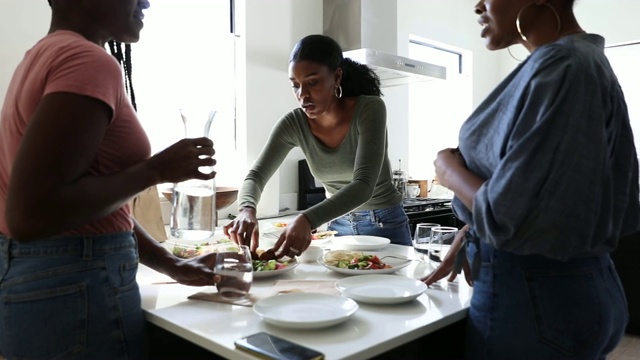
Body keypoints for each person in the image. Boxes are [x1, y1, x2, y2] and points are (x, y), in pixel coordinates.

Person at [0, 1, 221, 358]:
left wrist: (171, 264)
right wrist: (155, 170)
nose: (147, 1)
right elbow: (32, 214)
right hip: (78, 284)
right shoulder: (88, 62)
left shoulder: (42, 55)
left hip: (44, 281)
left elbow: (92, 209)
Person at [427, 1, 640, 359]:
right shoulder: (575, 60)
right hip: (567, 290)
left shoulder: (563, 66)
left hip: (534, 298)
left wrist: (447, 171)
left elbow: (506, 214)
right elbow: (551, 197)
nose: (478, 5)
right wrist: (472, 235)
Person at [224, 34, 412, 258]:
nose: (302, 95)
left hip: (384, 224)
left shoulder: (369, 109)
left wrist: (307, 218)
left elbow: (363, 185)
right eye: (295, 85)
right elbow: (256, 175)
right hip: (337, 226)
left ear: (337, 77)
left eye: (312, 82)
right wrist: (246, 209)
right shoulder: (293, 124)